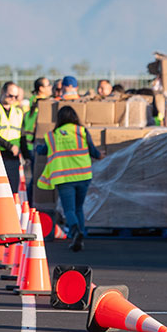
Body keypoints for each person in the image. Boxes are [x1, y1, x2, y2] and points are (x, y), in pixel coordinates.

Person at [35, 105, 101, 251]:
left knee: (69, 209)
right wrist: (100, 155)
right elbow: (93, 151)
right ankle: (80, 236)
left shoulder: (52, 135)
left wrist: (36, 148)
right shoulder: (81, 131)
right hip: (83, 175)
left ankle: (75, 231)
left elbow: (42, 151)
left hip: (64, 178)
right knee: (78, 208)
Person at [0, 82, 25, 195]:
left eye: (16, 96)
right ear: (2, 92)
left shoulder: (18, 112)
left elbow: (22, 135)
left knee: (12, 189)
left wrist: (26, 156)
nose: (13, 99)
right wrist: (10, 146)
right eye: (10, 95)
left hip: (13, 157)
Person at [21, 77, 52, 164]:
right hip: (36, 143)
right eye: (48, 85)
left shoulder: (33, 101)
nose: (51, 87)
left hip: (30, 144)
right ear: (41, 88)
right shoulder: (42, 104)